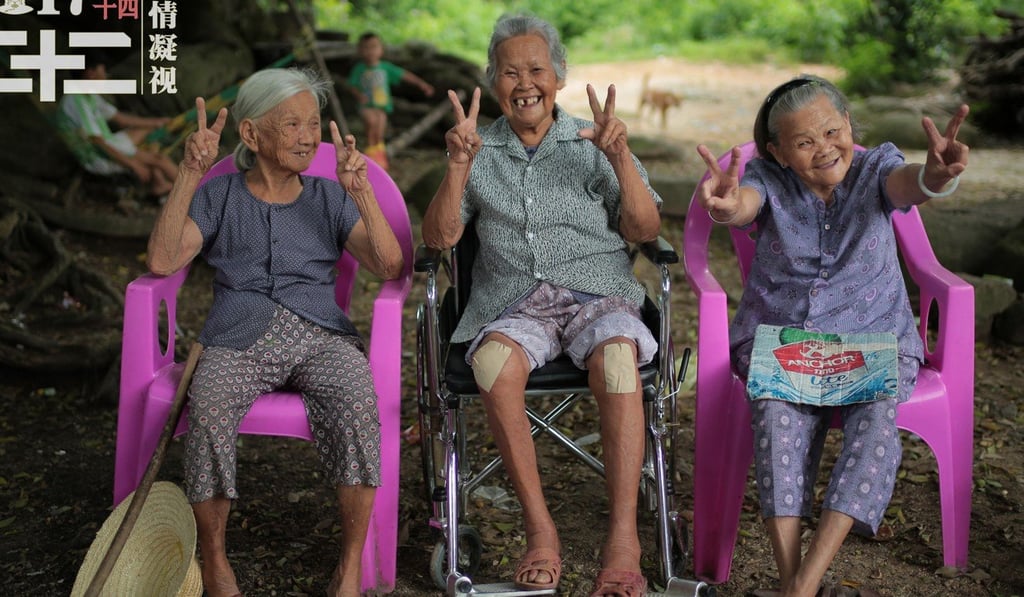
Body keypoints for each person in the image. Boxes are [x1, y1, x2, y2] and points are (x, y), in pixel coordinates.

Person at [694, 75, 970, 597]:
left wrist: (935, 176)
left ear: (847, 123)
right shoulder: (766, 178)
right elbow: (745, 203)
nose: (824, 148)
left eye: (831, 131)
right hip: (785, 340)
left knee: (877, 424)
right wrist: (727, 208)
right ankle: (794, 583)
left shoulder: (875, 168)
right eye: (804, 142)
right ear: (778, 152)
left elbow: (909, 184)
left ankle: (802, 586)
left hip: (874, 340)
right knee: (774, 418)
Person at [421, 13, 662, 597]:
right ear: (493, 82)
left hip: (597, 292)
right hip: (513, 304)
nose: (524, 83)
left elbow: (645, 228)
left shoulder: (592, 141)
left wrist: (619, 157)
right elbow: (439, 238)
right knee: (491, 366)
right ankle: (540, 532)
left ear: (558, 77)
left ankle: (624, 540)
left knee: (618, 363)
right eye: (510, 72)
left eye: (537, 70)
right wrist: (457, 166)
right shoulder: (478, 149)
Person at [146, 67, 404, 597]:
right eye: (291, 124)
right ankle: (216, 562)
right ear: (251, 134)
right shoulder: (219, 196)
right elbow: (162, 260)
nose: (308, 137)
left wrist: (362, 193)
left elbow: (389, 265)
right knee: (209, 403)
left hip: (320, 334)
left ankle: (349, 566)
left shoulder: (330, 196)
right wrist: (189, 174)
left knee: (357, 396)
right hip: (236, 336)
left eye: (313, 123)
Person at [57, 50, 179, 198]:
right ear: (91, 74)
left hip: (109, 142)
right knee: (160, 160)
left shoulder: (87, 96)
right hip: (98, 157)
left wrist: (157, 122)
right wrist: (133, 164)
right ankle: (196, 192)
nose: (105, 76)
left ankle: (159, 183)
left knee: (148, 130)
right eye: (103, 71)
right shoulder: (76, 102)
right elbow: (97, 142)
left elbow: (120, 118)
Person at [345, 31, 434, 170]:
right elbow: (351, 85)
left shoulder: (386, 67)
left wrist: (422, 84)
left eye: (374, 47)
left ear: (381, 49)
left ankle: (379, 156)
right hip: (366, 106)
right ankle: (370, 154)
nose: (370, 51)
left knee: (380, 129)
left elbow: (404, 75)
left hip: (382, 107)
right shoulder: (359, 69)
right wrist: (359, 95)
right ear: (360, 50)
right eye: (366, 47)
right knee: (371, 123)